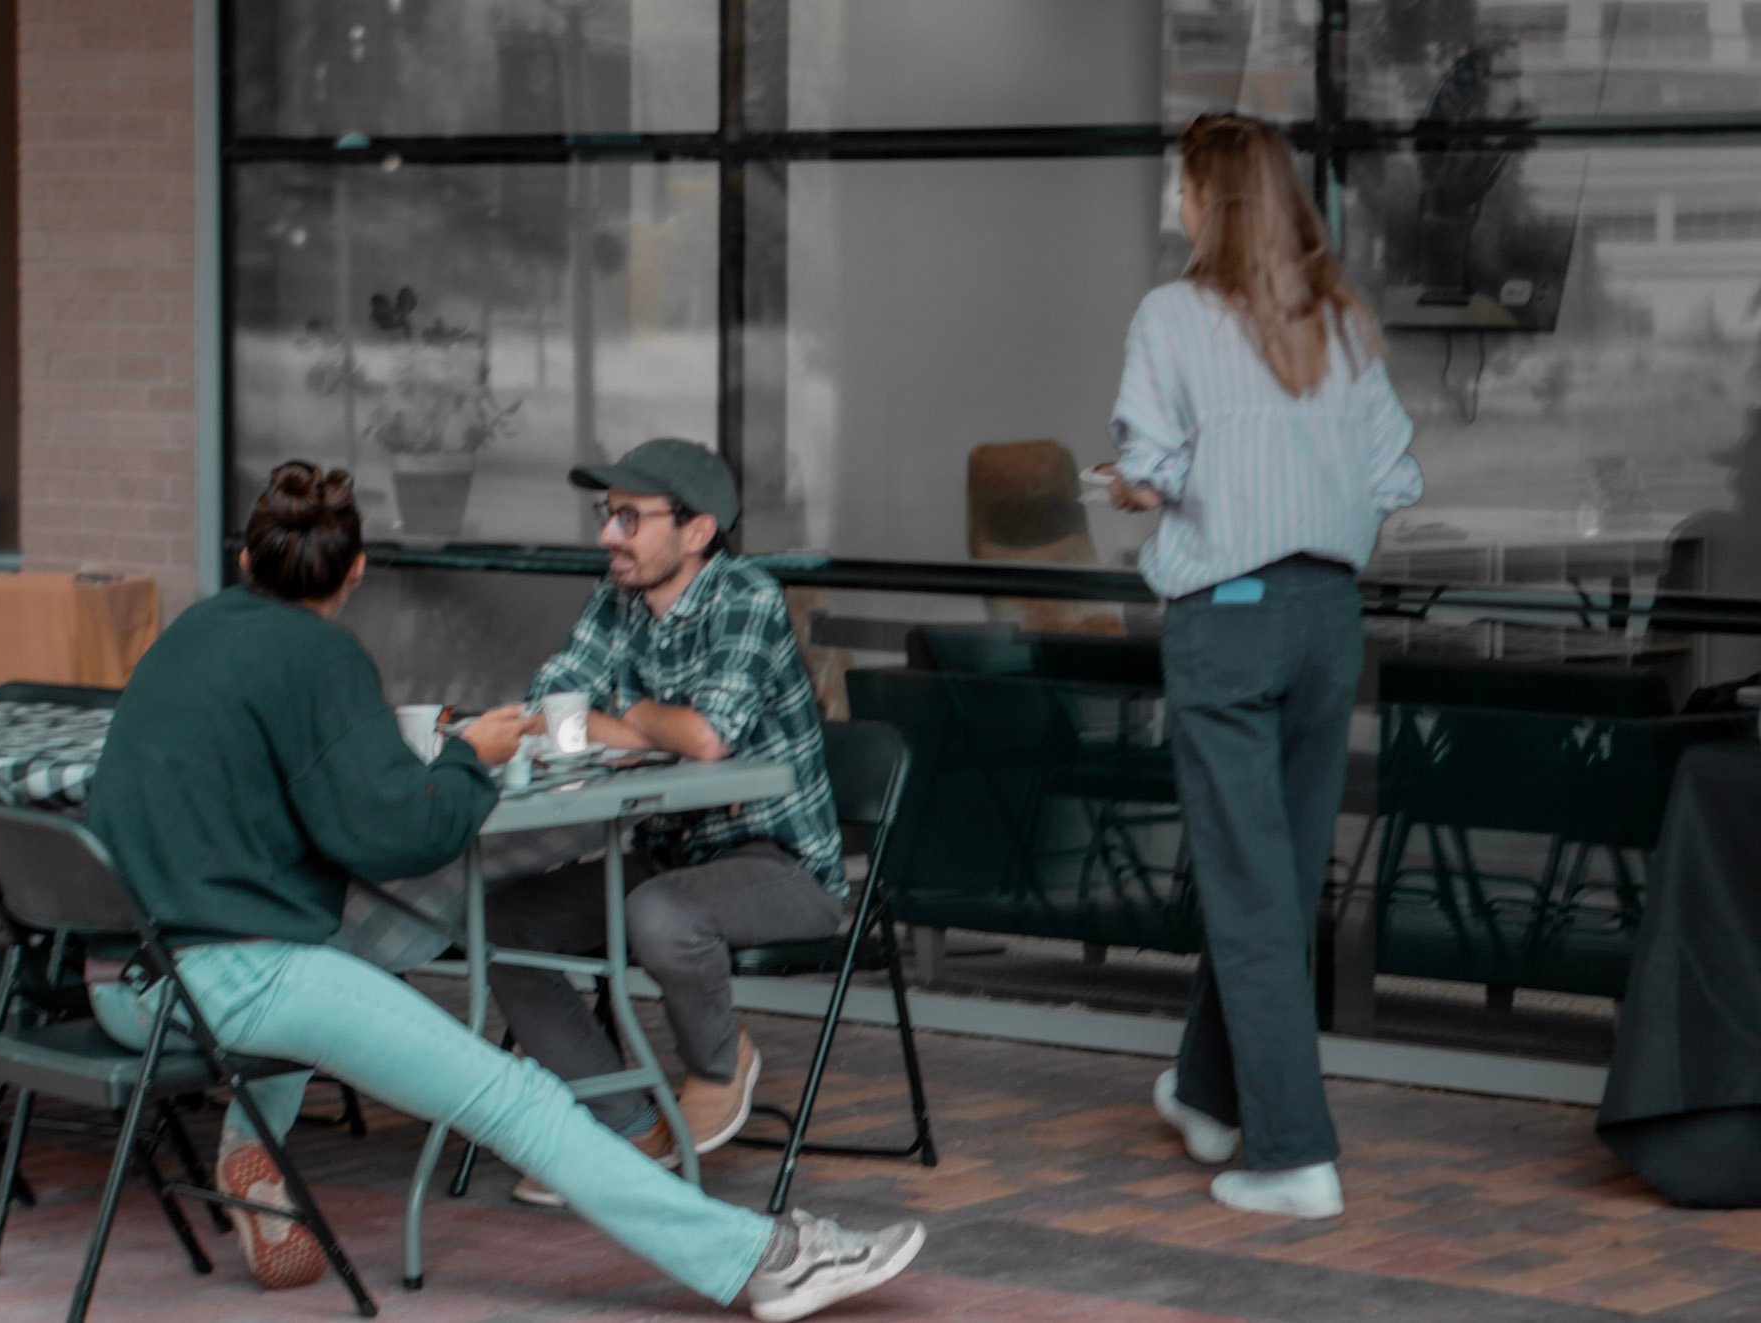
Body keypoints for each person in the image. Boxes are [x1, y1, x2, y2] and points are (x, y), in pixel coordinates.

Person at [82, 461, 923, 1320]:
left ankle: (250, 1141)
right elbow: (397, 832)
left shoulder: (189, 631)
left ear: (247, 560)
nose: (611, 533)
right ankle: (761, 1261)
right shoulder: (321, 655)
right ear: (358, 568)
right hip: (227, 984)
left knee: (340, 944)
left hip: (125, 978)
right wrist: (464, 757)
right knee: (516, 1096)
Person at [1103, 114, 1423, 1220]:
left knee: (1247, 887)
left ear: (1210, 202)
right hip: (1326, 618)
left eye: (1182, 187)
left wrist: (1134, 486)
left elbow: (1151, 469)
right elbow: (1394, 476)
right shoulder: (1338, 319)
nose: (1175, 203)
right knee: (1275, 878)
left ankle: (1292, 1156)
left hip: (1229, 618)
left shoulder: (1171, 315)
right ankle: (1207, 1093)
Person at [485, 438, 846, 1207]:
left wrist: (625, 713)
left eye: (628, 518)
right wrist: (647, 725)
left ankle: (719, 1063)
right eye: (606, 514)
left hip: (781, 864)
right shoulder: (616, 596)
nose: (607, 535)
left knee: (660, 912)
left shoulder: (745, 595)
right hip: (667, 852)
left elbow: (708, 736)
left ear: (697, 530)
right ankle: (625, 1126)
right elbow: (548, 705)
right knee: (502, 921)